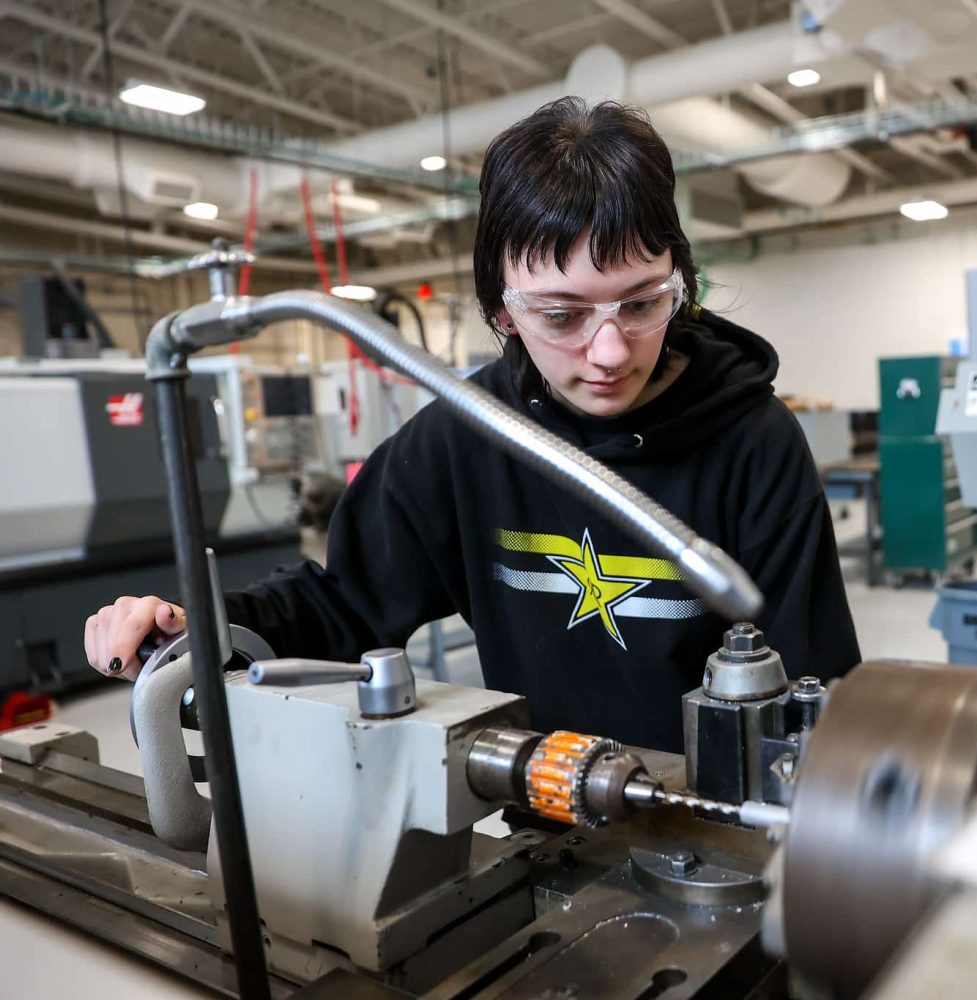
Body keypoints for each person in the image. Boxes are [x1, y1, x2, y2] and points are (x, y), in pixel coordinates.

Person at [82, 98, 862, 752]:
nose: (609, 348)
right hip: (549, 817)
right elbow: (342, 602)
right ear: (502, 312)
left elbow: (819, 690)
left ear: (679, 284)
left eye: (641, 301)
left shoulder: (754, 443)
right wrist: (195, 627)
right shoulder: (466, 437)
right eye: (561, 314)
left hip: (728, 828)